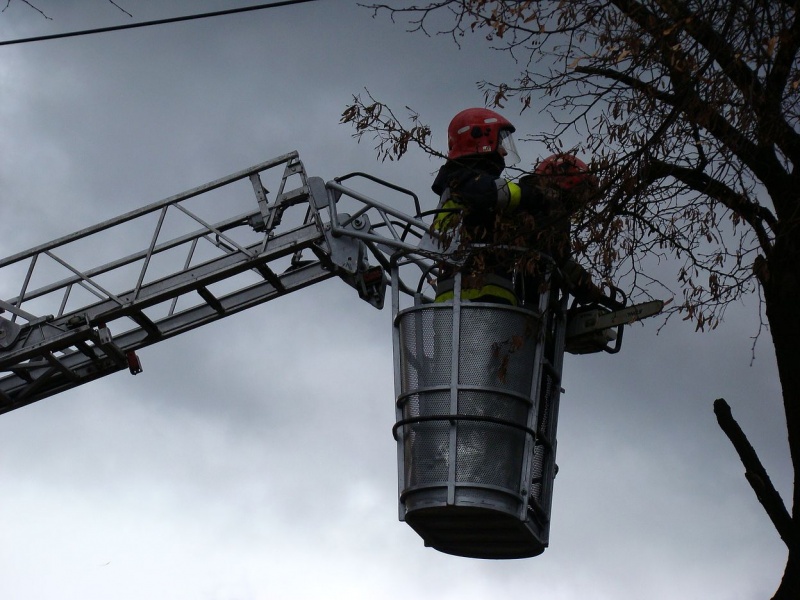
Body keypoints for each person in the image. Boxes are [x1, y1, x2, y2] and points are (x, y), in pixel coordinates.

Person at [431, 107, 603, 307]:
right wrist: (536, 196)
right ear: (479, 138)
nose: (504, 151)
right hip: (478, 299)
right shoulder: (465, 182)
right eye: (500, 142)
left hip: (475, 301)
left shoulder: (461, 188)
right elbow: (491, 192)